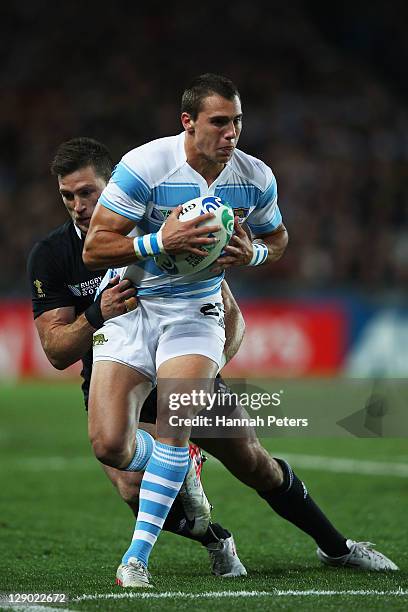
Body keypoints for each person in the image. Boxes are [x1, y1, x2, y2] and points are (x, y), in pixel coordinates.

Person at [83, 74, 398, 586]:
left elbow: (277, 238)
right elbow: (95, 248)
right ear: (188, 122)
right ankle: (181, 465)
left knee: (176, 423)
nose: (232, 133)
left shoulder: (255, 177)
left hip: (196, 313)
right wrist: (159, 240)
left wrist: (251, 253)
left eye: (238, 122)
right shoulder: (145, 166)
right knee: (108, 445)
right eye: (219, 122)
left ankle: (135, 560)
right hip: (135, 310)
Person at [27, 137, 247, 586]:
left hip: (175, 369)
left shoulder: (162, 231)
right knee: (130, 483)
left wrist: (207, 366)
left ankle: (335, 544)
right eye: (68, 196)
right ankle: (214, 537)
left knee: (253, 459)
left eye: (88, 193)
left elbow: (223, 309)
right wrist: (96, 313)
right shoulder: (51, 255)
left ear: (113, 189)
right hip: (114, 372)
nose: (78, 205)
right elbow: (56, 352)